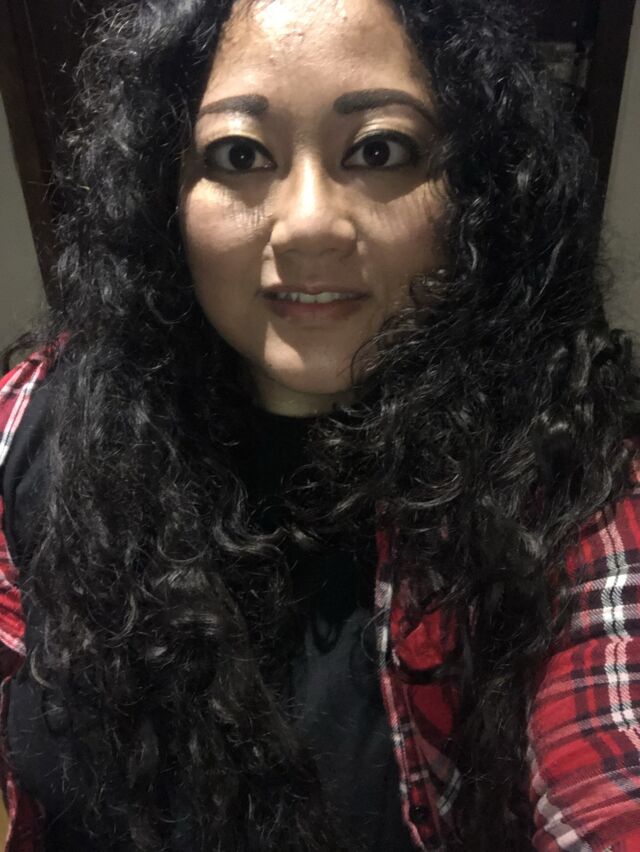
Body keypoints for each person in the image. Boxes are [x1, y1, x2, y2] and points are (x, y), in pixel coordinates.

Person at [0, 0, 639, 849]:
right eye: (239, 155)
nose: (307, 225)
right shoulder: (37, 417)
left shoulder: (566, 479)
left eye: (379, 150)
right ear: (165, 194)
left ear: (476, 188)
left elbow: (608, 772)